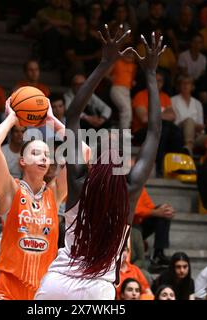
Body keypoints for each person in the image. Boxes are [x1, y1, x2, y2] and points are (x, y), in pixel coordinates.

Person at [35, 27, 164, 300]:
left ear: (93, 159)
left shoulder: (80, 181)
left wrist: (105, 63)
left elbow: (72, 116)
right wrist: (150, 74)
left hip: (57, 283)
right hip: (98, 288)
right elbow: (154, 131)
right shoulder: (129, 191)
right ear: (124, 164)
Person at [0, 71, 70, 301]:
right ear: (22, 161)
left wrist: (53, 121)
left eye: (46, 154)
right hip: (6, 284)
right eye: (36, 153)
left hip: (43, 288)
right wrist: (13, 118)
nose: (44, 157)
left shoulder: (55, 193)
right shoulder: (10, 190)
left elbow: (84, 153)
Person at [133, 187, 173, 265]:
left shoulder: (140, 187)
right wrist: (154, 212)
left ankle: (158, 254)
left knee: (163, 213)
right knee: (157, 213)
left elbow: (150, 208)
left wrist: (165, 210)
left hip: (138, 225)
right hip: (123, 227)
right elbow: (130, 210)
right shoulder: (119, 186)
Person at [171, 75, 204, 155]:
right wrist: (190, 124)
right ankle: (189, 146)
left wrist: (196, 127)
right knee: (189, 121)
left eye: (188, 83)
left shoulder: (197, 103)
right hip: (178, 132)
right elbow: (173, 122)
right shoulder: (172, 100)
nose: (186, 86)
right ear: (179, 86)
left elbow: (201, 124)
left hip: (196, 134)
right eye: (183, 83)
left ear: (192, 87)